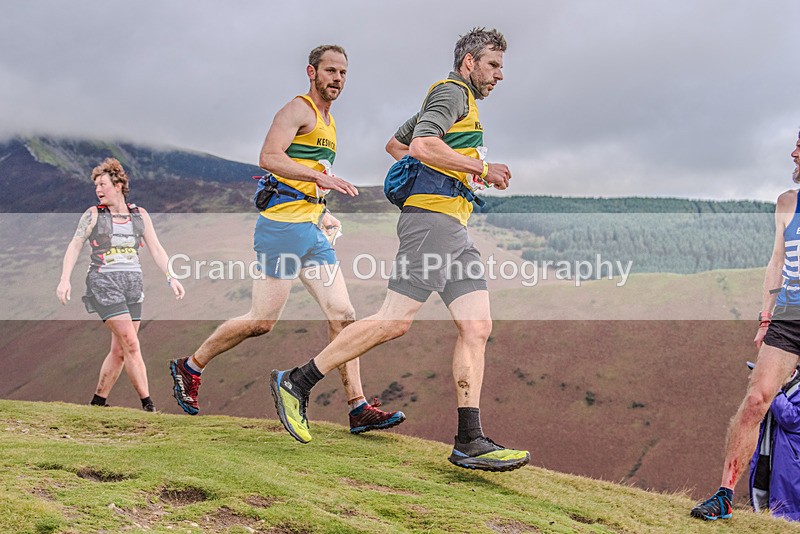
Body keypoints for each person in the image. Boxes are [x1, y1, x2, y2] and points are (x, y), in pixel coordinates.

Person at [269, 28, 530, 472]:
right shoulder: (453, 94)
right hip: (432, 222)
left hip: (454, 226)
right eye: (493, 65)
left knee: (477, 325)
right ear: (469, 63)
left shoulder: (452, 101)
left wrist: (459, 172)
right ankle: (297, 380)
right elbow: (424, 145)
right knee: (394, 321)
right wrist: (480, 167)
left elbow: (398, 145)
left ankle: (469, 439)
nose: (500, 75)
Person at [169, 45, 406, 434]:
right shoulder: (297, 110)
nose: (338, 79)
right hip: (280, 229)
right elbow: (269, 157)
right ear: (311, 72)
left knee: (343, 316)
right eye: (330, 71)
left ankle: (357, 406)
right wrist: (318, 178)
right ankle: (190, 366)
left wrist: (322, 204)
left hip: (312, 230)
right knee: (261, 322)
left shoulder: (330, 122)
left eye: (343, 73)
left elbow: (310, 172)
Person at [691, 131, 800, 520]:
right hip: (788, 317)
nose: (793, 152)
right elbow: (777, 260)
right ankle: (724, 495)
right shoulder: (787, 203)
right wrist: (766, 316)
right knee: (756, 401)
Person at [56, 157, 185, 412]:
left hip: (132, 285)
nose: (98, 190)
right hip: (104, 282)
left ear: (118, 184)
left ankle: (97, 403)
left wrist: (172, 277)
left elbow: (157, 250)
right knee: (131, 342)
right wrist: (64, 279)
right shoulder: (93, 215)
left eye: (102, 184)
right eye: (96, 186)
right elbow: (74, 245)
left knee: (120, 351)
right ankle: (149, 405)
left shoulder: (140, 216)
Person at [749, 362, 800, 521]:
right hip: (766, 452)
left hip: (790, 459)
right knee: (761, 494)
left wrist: (774, 391)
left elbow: (792, 419)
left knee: (788, 507)